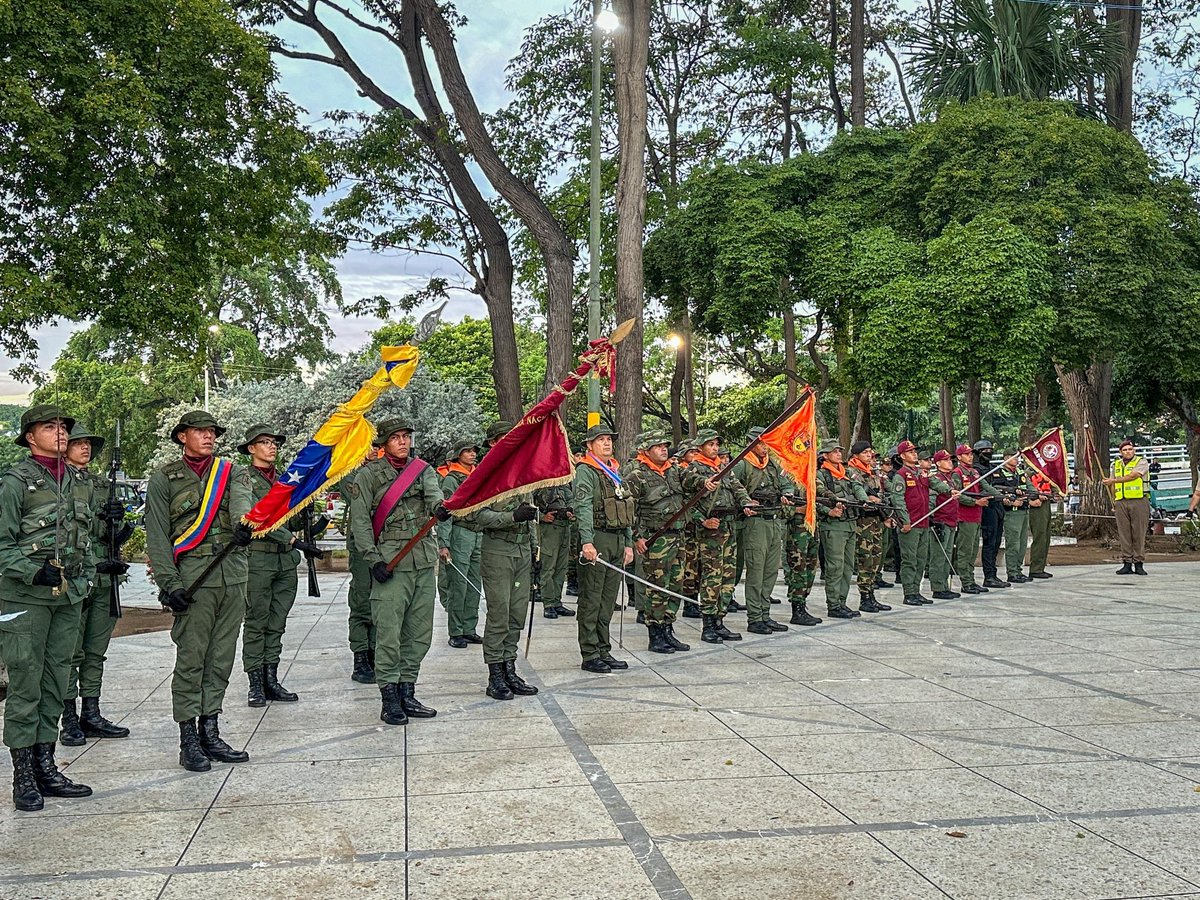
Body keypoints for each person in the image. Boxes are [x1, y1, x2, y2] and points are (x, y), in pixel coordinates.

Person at [0, 405, 97, 811]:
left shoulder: (77, 480)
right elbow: (2, 545)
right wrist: (29, 571)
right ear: (29, 436)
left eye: (63, 426)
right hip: (25, 599)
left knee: (56, 681)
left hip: (68, 597)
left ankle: (46, 765)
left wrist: (87, 577)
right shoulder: (14, 482)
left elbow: (86, 537)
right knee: (25, 683)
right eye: (49, 427)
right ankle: (23, 775)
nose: (60, 433)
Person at [145, 411, 253, 772]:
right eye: (200, 432)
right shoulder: (165, 478)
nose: (208, 437)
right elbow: (158, 537)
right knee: (192, 659)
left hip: (233, 574)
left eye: (212, 432)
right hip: (193, 578)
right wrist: (169, 584)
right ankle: (188, 738)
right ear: (181, 437)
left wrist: (244, 523)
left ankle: (211, 729)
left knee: (221, 658)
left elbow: (241, 501)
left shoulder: (231, 471)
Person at [348, 419, 442, 724]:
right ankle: (389, 697)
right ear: (383, 443)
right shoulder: (368, 475)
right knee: (388, 633)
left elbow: (433, 496)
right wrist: (372, 559)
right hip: (390, 561)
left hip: (423, 561)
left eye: (406, 437)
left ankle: (407, 691)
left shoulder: (422, 470)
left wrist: (440, 507)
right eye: (395, 438)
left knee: (419, 633)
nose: (402, 442)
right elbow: (360, 521)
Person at [59, 423, 132, 746]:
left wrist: (118, 524)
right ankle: (69, 718)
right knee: (70, 652)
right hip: (75, 577)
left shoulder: (103, 485)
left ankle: (91, 712)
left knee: (95, 651)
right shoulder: (56, 484)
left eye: (89, 443)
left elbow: (108, 533)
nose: (85, 448)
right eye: (79, 443)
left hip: (105, 577)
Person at [238, 425, 320, 706]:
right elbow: (257, 518)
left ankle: (271, 678)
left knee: (277, 623)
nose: (272, 447)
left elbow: (287, 518)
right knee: (256, 622)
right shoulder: (244, 479)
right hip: (259, 559)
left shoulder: (287, 480)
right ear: (251, 449)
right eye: (264, 442)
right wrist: (295, 541)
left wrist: (308, 516)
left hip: (284, 562)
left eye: (274, 442)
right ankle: (256, 683)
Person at [683, 430, 756, 642]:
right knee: (711, 577)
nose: (715, 448)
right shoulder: (693, 468)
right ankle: (708, 624)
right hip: (710, 531)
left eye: (716, 444)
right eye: (710, 444)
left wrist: (746, 503)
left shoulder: (724, 468)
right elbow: (687, 501)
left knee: (727, 577)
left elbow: (737, 488)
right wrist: (702, 520)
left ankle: (719, 620)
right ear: (700, 447)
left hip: (728, 527)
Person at [465, 492, 539, 700]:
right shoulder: (493, 480)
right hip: (498, 551)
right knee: (499, 613)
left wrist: (535, 550)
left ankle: (509, 668)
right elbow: (479, 515)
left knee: (516, 613)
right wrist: (512, 517)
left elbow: (531, 521)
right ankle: (495, 674)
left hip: (522, 551)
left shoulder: (526, 483)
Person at [573, 425, 635, 671]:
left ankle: (603, 648)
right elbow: (583, 507)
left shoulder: (614, 471)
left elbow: (627, 509)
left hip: (617, 539)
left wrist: (628, 543)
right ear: (590, 445)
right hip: (598, 538)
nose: (607, 443)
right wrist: (586, 541)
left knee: (608, 599)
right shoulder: (587, 471)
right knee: (592, 598)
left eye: (609, 439)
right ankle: (589, 653)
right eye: (601, 440)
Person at [626, 430, 690, 653]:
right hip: (656, 538)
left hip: (678, 535)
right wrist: (636, 537)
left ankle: (668, 629)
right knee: (657, 587)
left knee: (675, 584)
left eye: (664, 445)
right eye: (658, 446)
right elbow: (627, 507)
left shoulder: (674, 471)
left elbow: (692, 484)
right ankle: (655, 634)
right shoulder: (637, 475)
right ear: (646, 450)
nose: (663, 449)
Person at [732, 427, 790, 634]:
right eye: (761, 443)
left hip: (774, 520)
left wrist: (787, 493)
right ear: (750, 443)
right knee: (756, 572)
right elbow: (732, 490)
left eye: (767, 443)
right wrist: (746, 502)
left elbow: (785, 483)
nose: (765, 448)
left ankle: (765, 613)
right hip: (755, 523)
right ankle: (754, 617)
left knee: (771, 571)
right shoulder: (741, 464)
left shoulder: (771, 463)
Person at [815, 439, 870, 618]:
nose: (839, 454)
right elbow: (816, 498)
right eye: (835, 451)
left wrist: (864, 500)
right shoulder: (821, 475)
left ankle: (842, 601)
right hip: (833, 526)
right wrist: (829, 511)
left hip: (850, 522)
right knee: (835, 566)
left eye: (840, 451)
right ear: (825, 455)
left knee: (847, 567)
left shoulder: (847, 472)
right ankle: (833, 604)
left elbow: (857, 487)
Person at [438, 439, 485, 647]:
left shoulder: (479, 475)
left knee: (475, 583)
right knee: (459, 584)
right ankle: (455, 631)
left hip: (478, 533)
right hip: (460, 532)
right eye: (467, 451)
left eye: (474, 451)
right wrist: (444, 543)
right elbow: (446, 513)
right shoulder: (451, 479)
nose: (472, 454)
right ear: (458, 455)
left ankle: (469, 628)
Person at [336, 458, 376, 683]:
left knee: (382, 601)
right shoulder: (351, 472)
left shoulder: (387, 469)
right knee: (362, 600)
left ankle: (375, 652)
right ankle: (360, 658)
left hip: (385, 541)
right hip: (362, 544)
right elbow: (360, 497)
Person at [847, 440, 893, 614]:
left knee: (876, 557)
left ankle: (871, 594)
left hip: (875, 520)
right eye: (865, 452)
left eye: (870, 452)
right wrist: (868, 500)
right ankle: (865, 597)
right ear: (856, 455)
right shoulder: (852, 472)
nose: (869, 455)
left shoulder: (872, 473)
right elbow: (858, 491)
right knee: (865, 559)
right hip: (863, 521)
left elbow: (881, 494)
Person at [951, 443, 1001, 595]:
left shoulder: (975, 472)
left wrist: (1001, 496)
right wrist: (974, 502)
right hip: (965, 516)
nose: (970, 456)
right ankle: (966, 582)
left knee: (972, 551)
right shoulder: (957, 473)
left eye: (971, 454)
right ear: (959, 457)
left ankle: (971, 580)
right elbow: (958, 495)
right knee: (964, 551)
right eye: (967, 454)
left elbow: (985, 486)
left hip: (977, 516)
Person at [889, 440, 932, 606]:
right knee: (910, 560)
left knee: (921, 559)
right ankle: (909, 593)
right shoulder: (901, 475)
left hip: (924, 522)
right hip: (911, 525)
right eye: (911, 451)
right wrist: (905, 520)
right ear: (902, 456)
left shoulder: (920, 473)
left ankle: (917, 590)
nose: (914, 454)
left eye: (915, 451)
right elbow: (898, 500)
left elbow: (934, 484)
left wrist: (950, 490)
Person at [1104, 439, 1150, 575]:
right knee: (1124, 534)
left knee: (1138, 533)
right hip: (1121, 501)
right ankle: (1127, 563)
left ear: (1134, 450)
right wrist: (1113, 501)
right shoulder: (1116, 464)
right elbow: (1112, 485)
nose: (1128, 452)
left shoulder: (1141, 462)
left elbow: (1133, 476)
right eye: (1125, 450)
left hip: (1139, 501)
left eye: (1130, 449)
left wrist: (1113, 480)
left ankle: (1139, 563)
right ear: (1120, 452)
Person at [532, 479, 576, 620]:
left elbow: (571, 498)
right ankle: (548, 603)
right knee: (548, 567)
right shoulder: (539, 479)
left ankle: (557, 602)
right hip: (549, 528)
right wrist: (541, 516)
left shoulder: (563, 480)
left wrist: (570, 510)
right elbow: (529, 504)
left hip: (565, 527)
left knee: (561, 568)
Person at [783, 473, 821, 626]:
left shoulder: (810, 475)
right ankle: (797, 608)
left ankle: (803, 601)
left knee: (811, 566)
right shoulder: (788, 475)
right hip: (797, 527)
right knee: (799, 566)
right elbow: (783, 503)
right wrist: (797, 510)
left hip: (811, 524)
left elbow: (820, 492)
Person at [992, 454, 1033, 584]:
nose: (1016, 459)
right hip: (1011, 512)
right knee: (1013, 543)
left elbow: (1029, 486)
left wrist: (1035, 495)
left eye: (1017, 457)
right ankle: (1012, 572)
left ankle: (1018, 570)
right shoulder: (1000, 472)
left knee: (1022, 544)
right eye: (1013, 457)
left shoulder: (1020, 471)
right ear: (1005, 458)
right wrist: (1011, 501)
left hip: (1023, 510)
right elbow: (997, 491)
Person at [973, 440, 1008, 589]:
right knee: (989, 542)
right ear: (978, 453)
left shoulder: (995, 468)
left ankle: (993, 574)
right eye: (984, 450)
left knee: (996, 542)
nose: (988, 452)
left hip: (998, 507)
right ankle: (988, 576)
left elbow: (1004, 483)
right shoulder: (976, 470)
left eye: (990, 450)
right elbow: (983, 487)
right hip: (987, 508)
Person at [926, 449, 961, 600]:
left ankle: (945, 585)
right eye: (946, 460)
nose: (950, 462)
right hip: (942, 520)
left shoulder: (951, 478)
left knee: (947, 555)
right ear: (938, 463)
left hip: (952, 520)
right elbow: (932, 499)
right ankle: (938, 587)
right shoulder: (936, 479)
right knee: (939, 556)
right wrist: (933, 518)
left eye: (951, 460)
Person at [1026, 470, 1055, 579]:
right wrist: (1035, 497)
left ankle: (1041, 567)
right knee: (1040, 535)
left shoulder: (1045, 470)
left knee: (1046, 536)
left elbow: (1051, 483)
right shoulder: (1028, 473)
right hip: (1036, 505)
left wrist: (1055, 492)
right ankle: (1035, 568)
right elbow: (1025, 488)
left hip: (1046, 502)